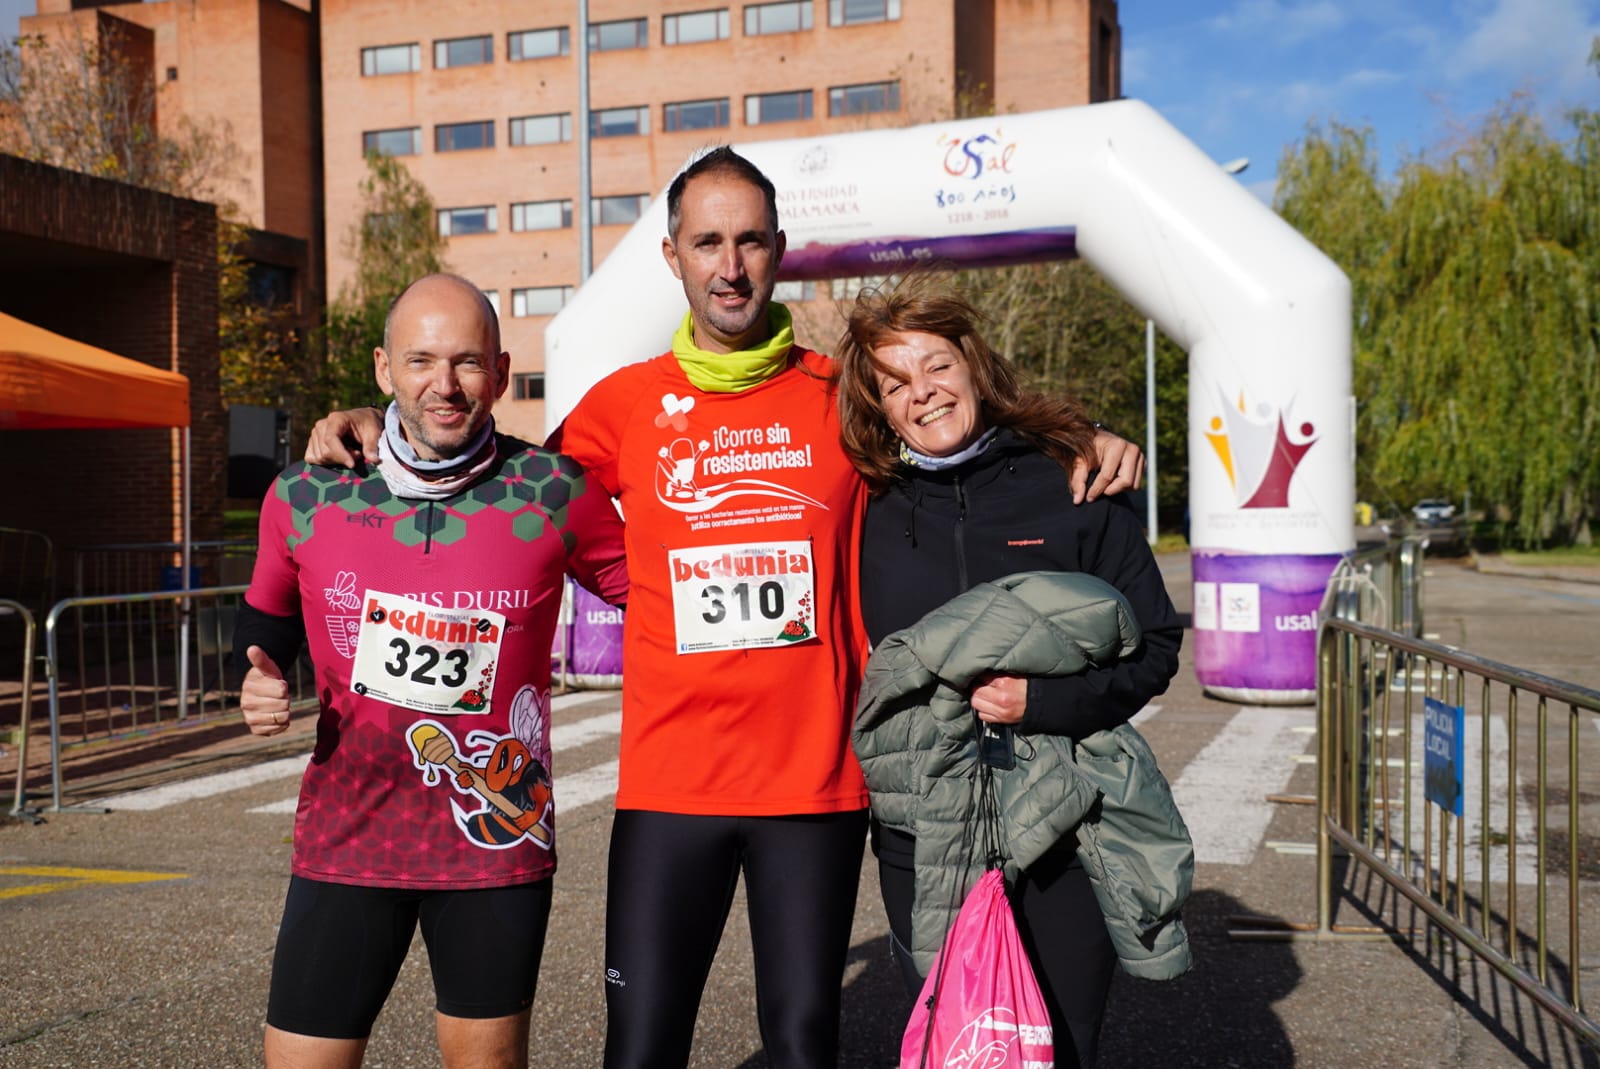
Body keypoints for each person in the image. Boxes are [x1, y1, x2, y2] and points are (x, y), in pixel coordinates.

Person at [302, 148, 1144, 1068]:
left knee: (800, 1045)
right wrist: (370, 426)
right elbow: (500, 487)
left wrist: (1076, 437)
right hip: (671, 789)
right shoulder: (622, 404)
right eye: (708, 242)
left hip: (814, 787)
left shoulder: (842, 393)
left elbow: (952, 426)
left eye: (749, 241)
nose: (730, 265)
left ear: (779, 250)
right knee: (642, 1047)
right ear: (673, 256)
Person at [235, 273, 628, 1069]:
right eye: (420, 361)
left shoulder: (552, 491)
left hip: (493, 838)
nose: (443, 385)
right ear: (383, 370)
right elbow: (264, 622)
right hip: (349, 835)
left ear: (502, 371)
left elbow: (660, 602)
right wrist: (260, 677)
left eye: (466, 362)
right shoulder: (309, 491)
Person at [835, 276, 1186, 1069]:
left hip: (1064, 815)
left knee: (1059, 1043)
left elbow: (1157, 642)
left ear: (973, 362)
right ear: (879, 408)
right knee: (962, 1044)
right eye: (895, 383)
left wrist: (1049, 700)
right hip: (924, 823)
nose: (922, 393)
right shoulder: (866, 504)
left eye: (936, 365)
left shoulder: (1070, 476)